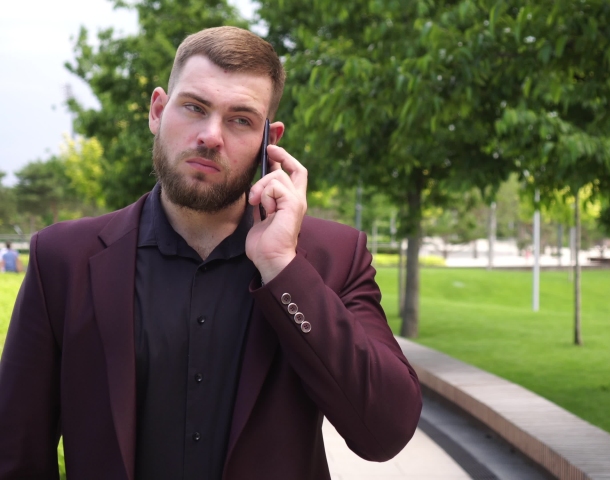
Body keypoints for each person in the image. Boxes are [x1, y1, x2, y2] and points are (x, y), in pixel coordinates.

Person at [0, 26, 422, 479]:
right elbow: (16, 453)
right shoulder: (63, 258)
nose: (210, 135)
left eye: (240, 119)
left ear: (269, 138)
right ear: (158, 110)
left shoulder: (332, 256)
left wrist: (282, 268)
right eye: (194, 108)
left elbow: (385, 432)